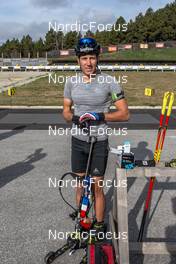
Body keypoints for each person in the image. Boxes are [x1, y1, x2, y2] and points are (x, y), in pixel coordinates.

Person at [63, 37, 130, 236]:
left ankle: (100, 225)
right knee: (80, 186)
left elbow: (125, 113)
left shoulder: (109, 81)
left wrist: (99, 116)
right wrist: (75, 118)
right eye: (84, 58)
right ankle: (84, 221)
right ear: (78, 60)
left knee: (96, 187)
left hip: (99, 142)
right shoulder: (71, 82)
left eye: (92, 57)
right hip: (78, 142)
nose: (88, 63)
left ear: (98, 58)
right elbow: (65, 112)